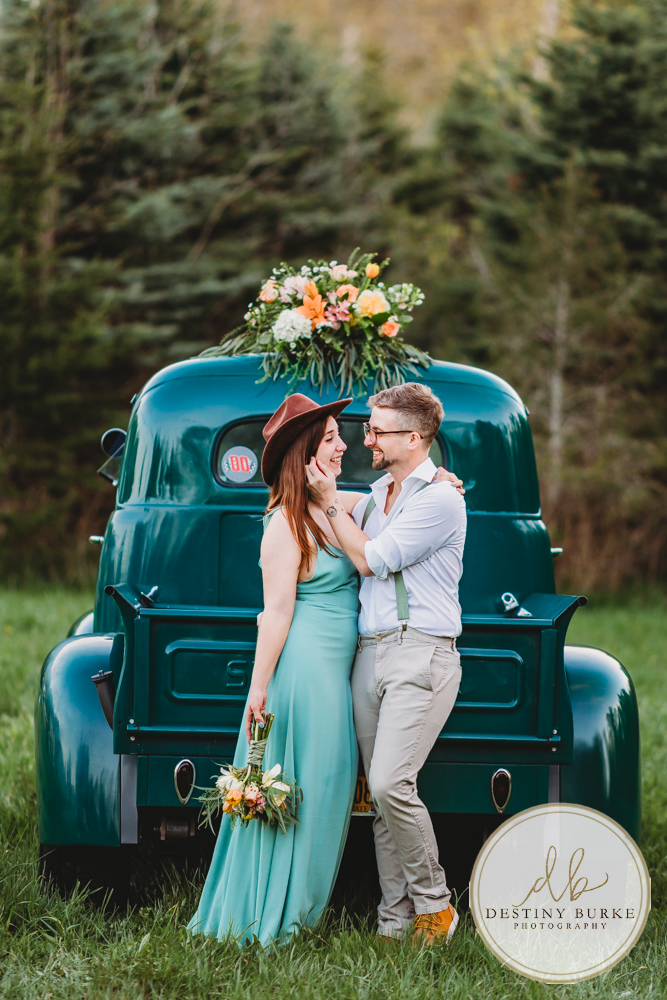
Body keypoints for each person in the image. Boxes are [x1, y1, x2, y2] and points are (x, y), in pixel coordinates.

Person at [188, 393, 360, 946]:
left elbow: (386, 497)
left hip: (333, 672)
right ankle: (277, 918)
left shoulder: (331, 506)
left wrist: (439, 482)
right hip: (306, 675)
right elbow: (276, 613)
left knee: (328, 788)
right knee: (304, 789)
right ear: (306, 453)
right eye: (331, 438)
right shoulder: (284, 526)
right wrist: (257, 691)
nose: (343, 445)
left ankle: (300, 910)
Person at [306, 382, 466, 946]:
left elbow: (373, 559)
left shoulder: (441, 499)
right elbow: (328, 502)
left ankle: (435, 906)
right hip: (369, 655)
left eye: (378, 430)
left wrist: (328, 501)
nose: (367, 438)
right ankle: (394, 924)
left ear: (415, 438)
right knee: (378, 798)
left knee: (391, 781)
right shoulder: (379, 493)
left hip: (419, 652)